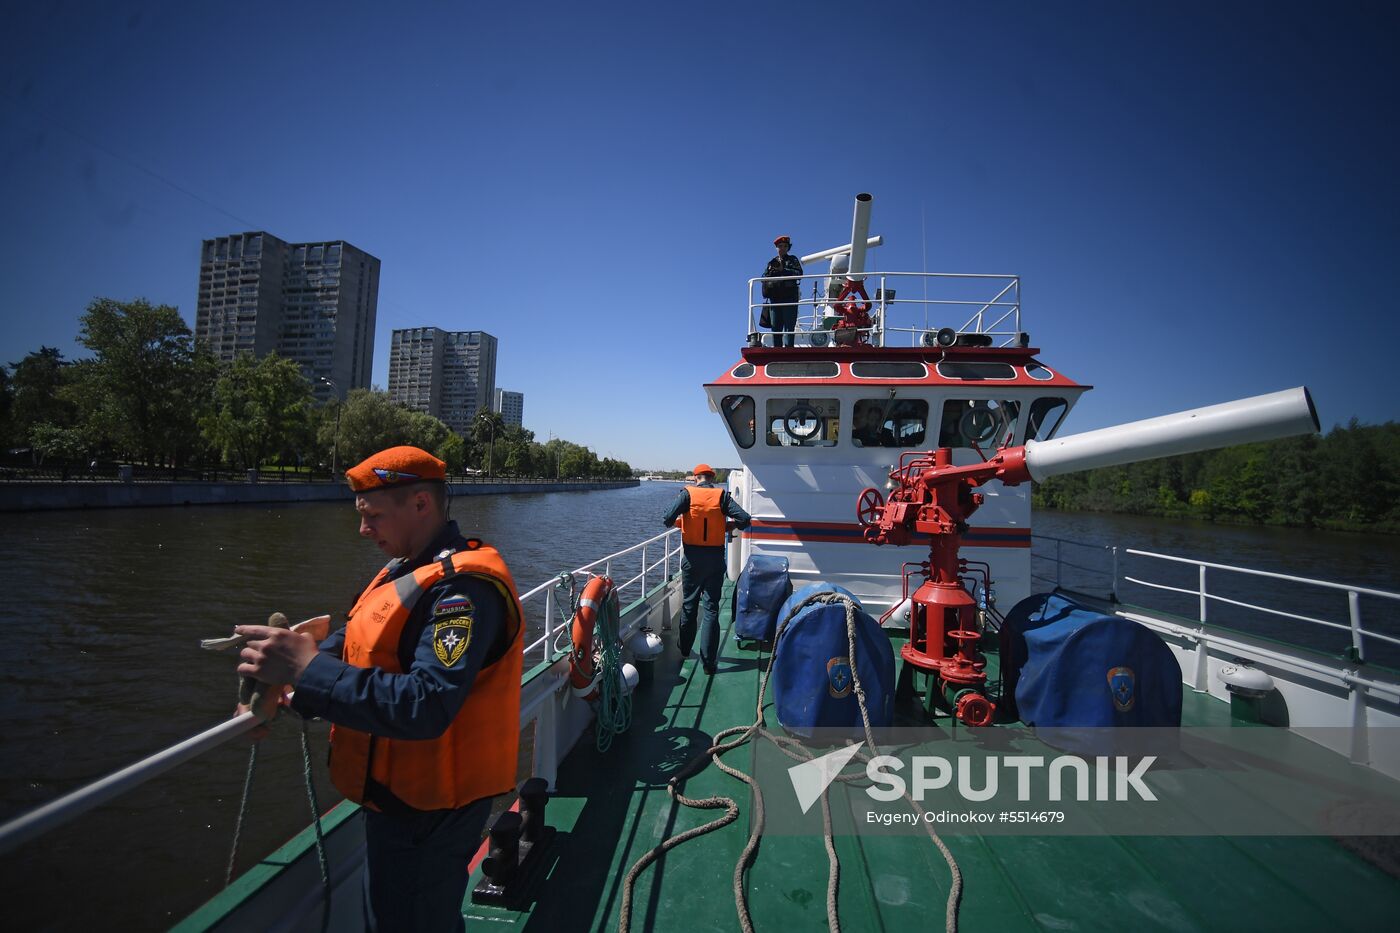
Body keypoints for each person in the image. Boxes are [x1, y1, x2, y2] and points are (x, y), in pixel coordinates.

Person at [235, 446, 525, 933]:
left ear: (420, 505)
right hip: (398, 798)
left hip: (431, 810)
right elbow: (350, 644)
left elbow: (427, 704)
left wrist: (308, 672)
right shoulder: (406, 568)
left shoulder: (462, 592)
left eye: (372, 516)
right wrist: (286, 682)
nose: (363, 530)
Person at [661, 464, 751, 675]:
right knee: (711, 609)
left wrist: (683, 523)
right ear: (712, 478)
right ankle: (709, 664)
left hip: (692, 559)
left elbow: (666, 518)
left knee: (690, 605)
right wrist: (727, 527)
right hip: (714, 558)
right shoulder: (721, 496)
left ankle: (684, 649)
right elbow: (744, 519)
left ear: (695, 478)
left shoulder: (687, 494)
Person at [763, 235, 803, 348]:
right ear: (776, 248)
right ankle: (777, 350)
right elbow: (763, 277)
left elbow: (799, 273)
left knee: (789, 326)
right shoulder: (772, 262)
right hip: (775, 298)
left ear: (788, 248)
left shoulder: (793, 260)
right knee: (776, 327)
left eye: (785, 246)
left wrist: (783, 270)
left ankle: (789, 348)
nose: (782, 248)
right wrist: (771, 272)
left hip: (789, 297)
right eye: (780, 246)